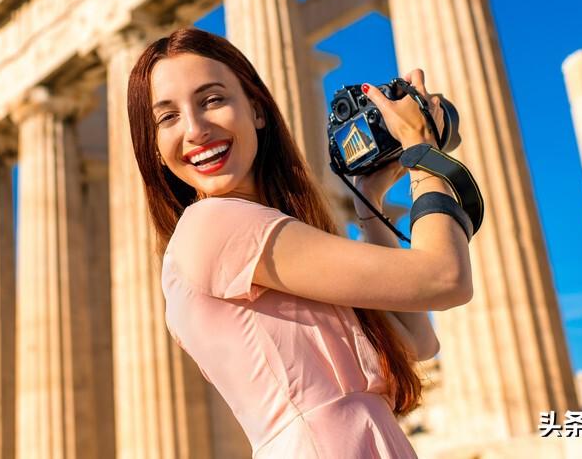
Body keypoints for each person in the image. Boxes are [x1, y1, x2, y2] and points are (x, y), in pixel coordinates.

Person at [126, 27, 474, 458]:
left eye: (212, 100)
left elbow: (417, 341)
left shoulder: (264, 235)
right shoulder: (212, 226)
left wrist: (369, 202)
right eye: (168, 117)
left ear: (256, 109)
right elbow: (446, 277)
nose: (195, 129)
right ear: (154, 147)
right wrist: (422, 152)